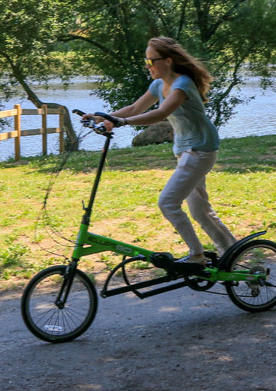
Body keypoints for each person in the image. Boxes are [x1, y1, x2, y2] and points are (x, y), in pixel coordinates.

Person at [89, 36, 237, 265]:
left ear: (168, 61)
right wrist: (105, 117)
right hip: (186, 150)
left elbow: (160, 114)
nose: (147, 66)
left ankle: (197, 255)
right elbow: (136, 107)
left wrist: (122, 123)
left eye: (151, 61)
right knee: (200, 211)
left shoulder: (182, 84)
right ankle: (233, 253)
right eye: (146, 61)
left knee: (168, 203)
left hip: (200, 150)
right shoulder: (159, 84)